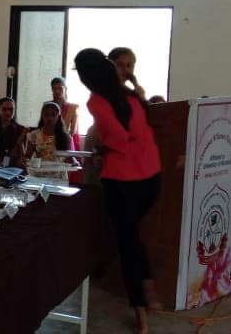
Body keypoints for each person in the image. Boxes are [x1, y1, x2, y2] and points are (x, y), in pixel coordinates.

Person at [74, 48, 162, 334]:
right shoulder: (132, 96)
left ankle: (141, 312)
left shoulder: (97, 102)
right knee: (132, 238)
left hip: (122, 181)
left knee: (128, 244)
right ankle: (148, 287)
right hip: (151, 177)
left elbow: (119, 141)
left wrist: (101, 149)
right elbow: (137, 133)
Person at [24, 101, 72, 179]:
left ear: (58, 117)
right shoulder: (34, 135)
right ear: (42, 116)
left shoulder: (66, 137)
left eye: (53, 115)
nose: (50, 118)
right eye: (46, 114)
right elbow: (28, 156)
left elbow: (69, 158)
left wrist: (74, 162)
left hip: (58, 176)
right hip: (38, 175)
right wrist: (25, 161)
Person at [50, 76, 80, 149]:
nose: (57, 91)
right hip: (49, 142)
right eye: (54, 88)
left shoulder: (73, 108)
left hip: (67, 143)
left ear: (65, 89)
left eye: (60, 88)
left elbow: (72, 132)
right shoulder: (48, 106)